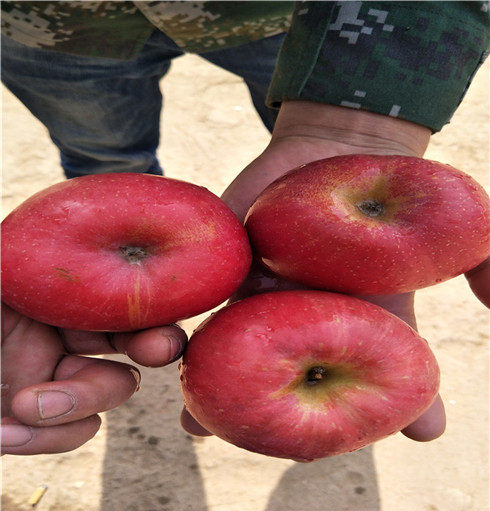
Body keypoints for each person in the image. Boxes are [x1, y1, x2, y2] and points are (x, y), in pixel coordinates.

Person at [1, 1, 489, 457]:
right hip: (48, 27)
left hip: (275, 12)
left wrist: (360, 105)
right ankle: (113, 171)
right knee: (102, 157)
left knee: (106, 159)